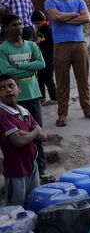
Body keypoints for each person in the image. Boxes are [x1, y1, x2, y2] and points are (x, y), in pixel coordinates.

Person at [0, 14, 55, 184]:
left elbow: (41, 64)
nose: (19, 27)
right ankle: (22, 171)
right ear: (6, 28)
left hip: (33, 94)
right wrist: (29, 69)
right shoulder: (3, 49)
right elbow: (5, 72)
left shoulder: (31, 45)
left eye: (20, 24)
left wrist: (20, 66)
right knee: (15, 137)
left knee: (37, 133)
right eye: (14, 25)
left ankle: (41, 168)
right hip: (13, 100)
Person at [45, 0, 90, 127]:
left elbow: (86, 18)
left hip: (79, 44)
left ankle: (88, 110)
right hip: (61, 45)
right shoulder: (50, 2)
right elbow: (56, 17)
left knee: (83, 79)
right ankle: (62, 114)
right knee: (62, 81)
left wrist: (66, 18)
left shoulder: (79, 1)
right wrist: (74, 15)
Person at [0, 74, 47, 206]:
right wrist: (35, 132)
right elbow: (19, 142)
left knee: (34, 202)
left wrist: (29, 134)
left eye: (11, 86)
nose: (8, 90)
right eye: (2, 88)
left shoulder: (24, 111)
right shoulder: (2, 115)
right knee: (15, 209)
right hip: (16, 171)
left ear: (19, 89)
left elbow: (43, 136)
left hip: (32, 167)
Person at [31, 11, 57, 106]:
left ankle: (54, 98)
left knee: (48, 78)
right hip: (41, 57)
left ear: (44, 20)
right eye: (35, 23)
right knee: (40, 78)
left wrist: (38, 42)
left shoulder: (48, 30)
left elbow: (51, 44)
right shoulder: (39, 30)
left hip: (49, 57)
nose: (36, 25)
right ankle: (42, 97)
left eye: (38, 23)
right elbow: (40, 40)